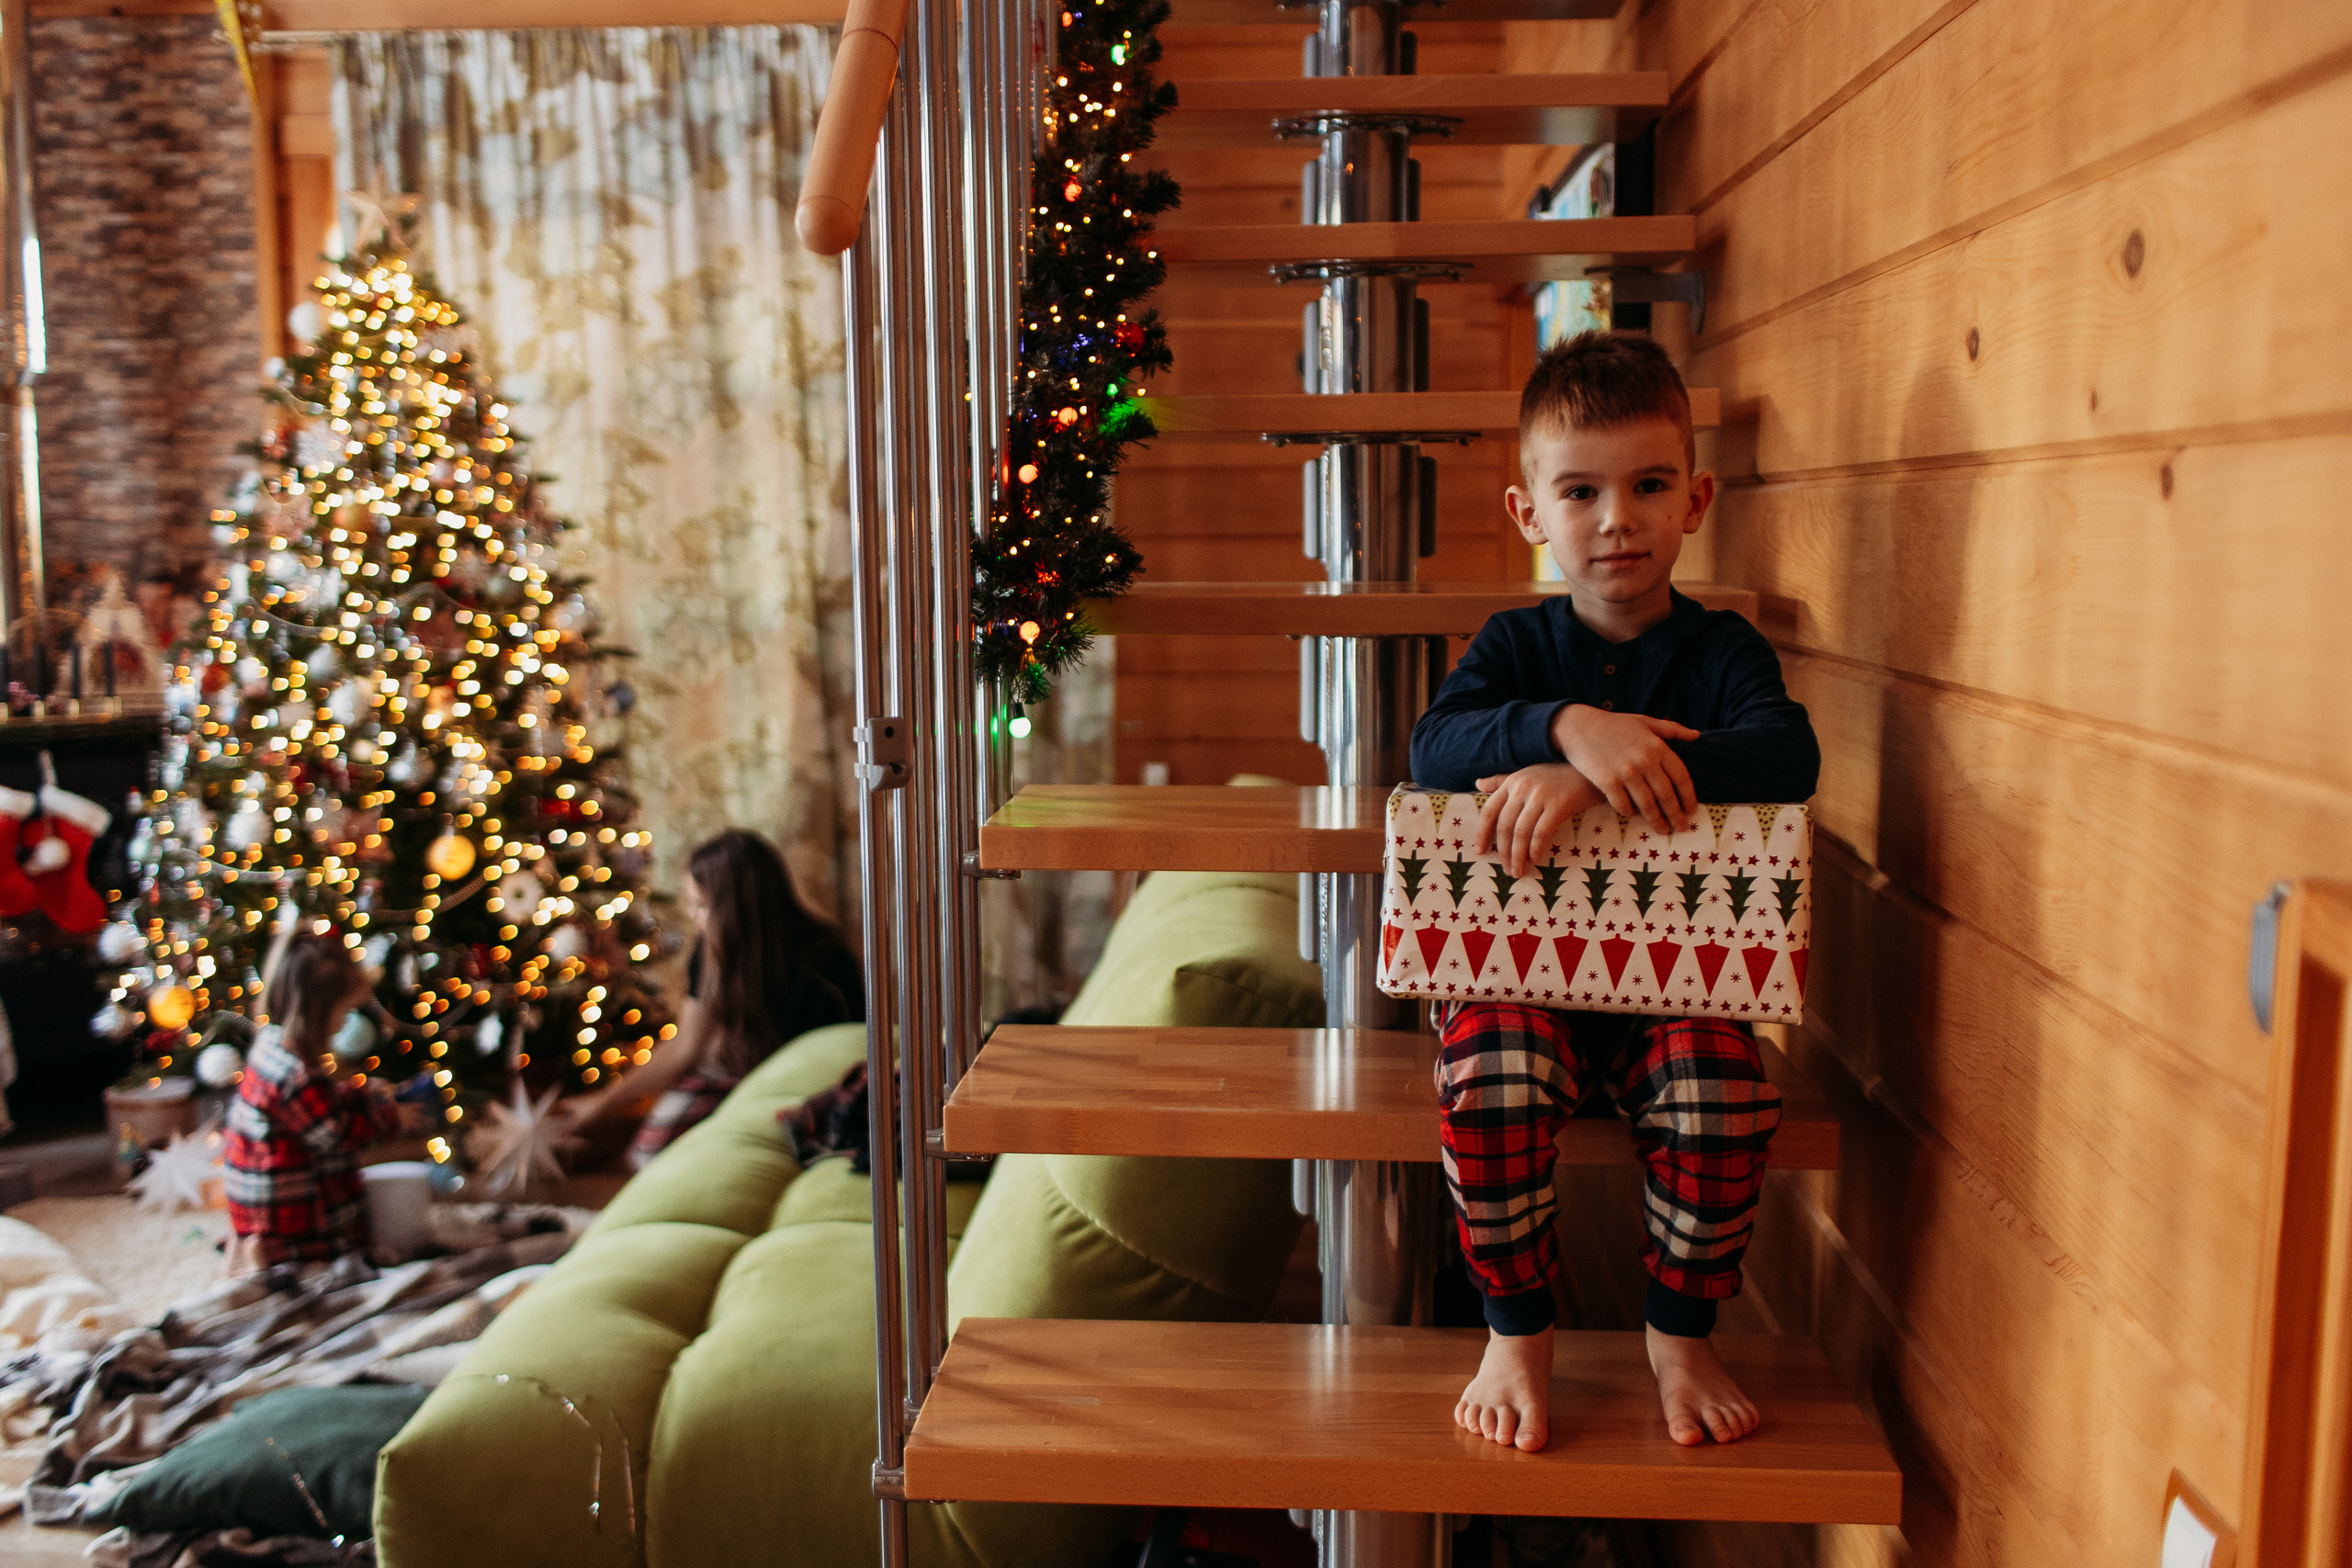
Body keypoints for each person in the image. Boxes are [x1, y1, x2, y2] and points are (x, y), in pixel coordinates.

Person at [1408, 330, 1820, 1455]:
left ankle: (1680, 1333)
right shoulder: (1512, 646)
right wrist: (1566, 728)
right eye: (1579, 491)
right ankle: (1516, 1331)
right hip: (1514, 978)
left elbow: (1785, 757)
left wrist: (1590, 782)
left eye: (1647, 486)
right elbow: (1432, 747)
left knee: (1721, 1094)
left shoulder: (1723, 653)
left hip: (1680, 984)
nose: (1615, 520)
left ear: (1695, 499)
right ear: (1527, 512)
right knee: (1489, 1076)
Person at [552, 829, 864, 1168]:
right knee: (648, 1152)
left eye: (701, 905)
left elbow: (844, 1058)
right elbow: (686, 1046)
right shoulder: (712, 949)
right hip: (736, 1079)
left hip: (808, 1091)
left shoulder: (826, 961)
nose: (691, 914)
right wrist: (599, 1104)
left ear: (734, 909)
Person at [223, 933, 427, 1273]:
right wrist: (391, 1118)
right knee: (345, 1238)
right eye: (343, 1010)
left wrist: (360, 1094)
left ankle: (256, 1249)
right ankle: (278, 1260)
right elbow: (338, 1134)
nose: (346, 1021)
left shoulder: (270, 1047)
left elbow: (319, 1107)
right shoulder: (297, 1076)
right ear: (316, 1012)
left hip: (255, 1201)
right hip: (290, 1214)